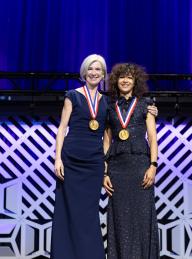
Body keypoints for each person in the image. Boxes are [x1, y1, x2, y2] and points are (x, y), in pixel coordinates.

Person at [51, 54, 108, 259]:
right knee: (67, 211)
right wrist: (57, 158)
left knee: (88, 213)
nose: (94, 73)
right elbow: (61, 129)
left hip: (94, 163)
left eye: (98, 70)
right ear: (84, 72)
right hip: (71, 160)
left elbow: (107, 137)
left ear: (103, 74)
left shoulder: (107, 101)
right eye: (90, 69)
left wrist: (105, 164)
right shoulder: (72, 96)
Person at [103, 63, 159, 259]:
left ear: (135, 82)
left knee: (142, 219)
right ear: (115, 81)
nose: (125, 80)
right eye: (121, 77)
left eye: (129, 77)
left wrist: (153, 166)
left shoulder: (146, 105)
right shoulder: (109, 107)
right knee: (119, 220)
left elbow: (152, 138)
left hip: (140, 167)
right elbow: (107, 140)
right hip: (117, 169)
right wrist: (105, 172)